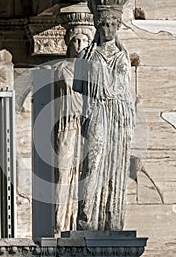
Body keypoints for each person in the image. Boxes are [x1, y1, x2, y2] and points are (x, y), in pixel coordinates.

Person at [73, 12, 135, 230]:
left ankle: (110, 218)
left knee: (115, 165)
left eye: (112, 25)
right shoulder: (86, 56)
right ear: (98, 27)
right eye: (104, 25)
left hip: (118, 113)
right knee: (93, 162)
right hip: (97, 110)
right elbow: (79, 88)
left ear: (117, 27)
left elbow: (123, 90)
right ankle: (86, 217)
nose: (108, 29)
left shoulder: (122, 56)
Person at [54, 25, 95, 233]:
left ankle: (80, 223)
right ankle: (60, 224)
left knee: (84, 173)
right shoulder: (63, 67)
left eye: (83, 41)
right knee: (63, 174)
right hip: (67, 125)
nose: (79, 45)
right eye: (75, 41)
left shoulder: (91, 69)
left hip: (87, 124)